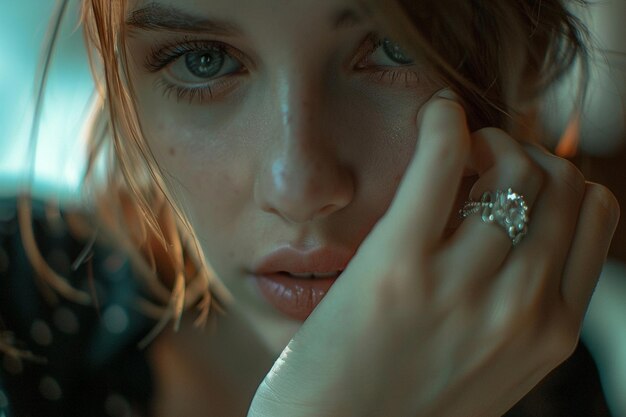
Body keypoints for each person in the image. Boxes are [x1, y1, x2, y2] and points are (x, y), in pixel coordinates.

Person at [0, 0, 620, 416]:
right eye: (201, 59)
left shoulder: (534, 367)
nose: (299, 187)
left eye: (396, 49)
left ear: (526, 58)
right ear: (122, 82)